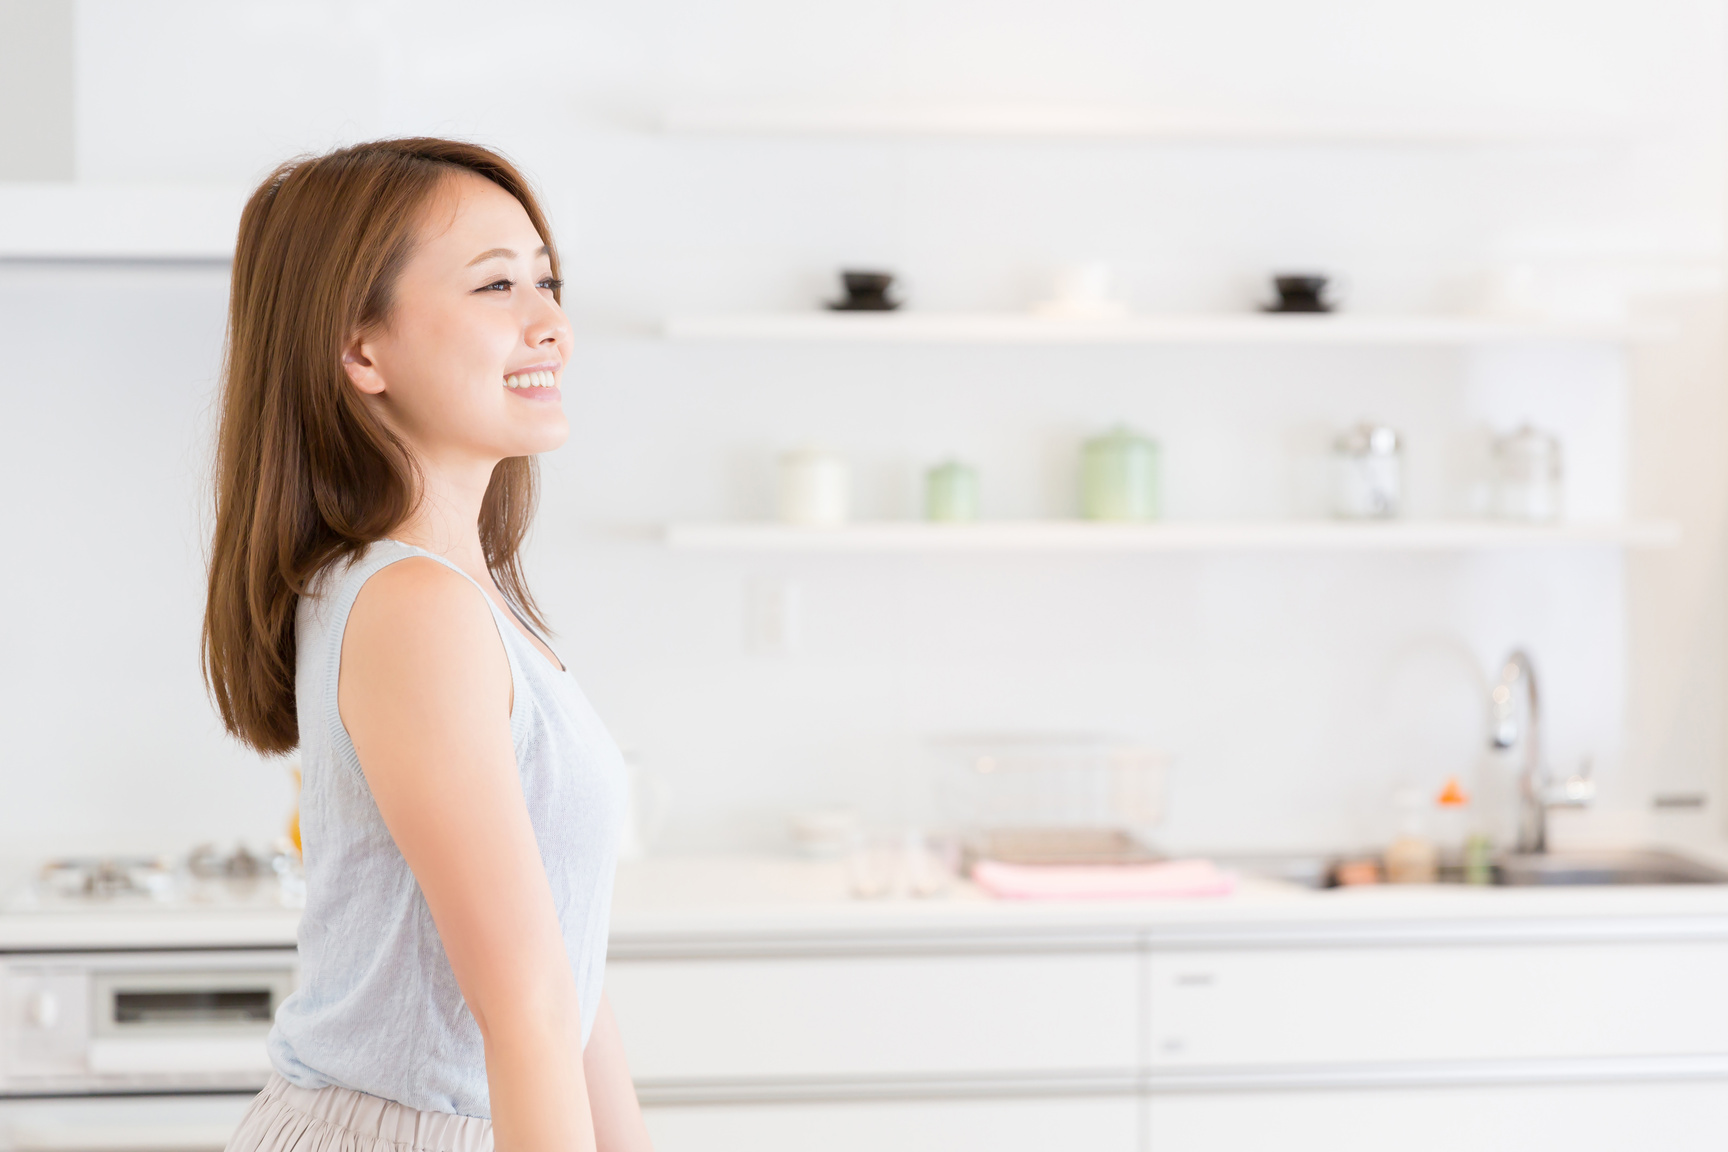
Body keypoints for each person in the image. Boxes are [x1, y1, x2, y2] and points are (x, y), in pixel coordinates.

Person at [202, 138, 652, 1152]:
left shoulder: (458, 599)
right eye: (497, 284)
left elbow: (567, 984)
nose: (553, 325)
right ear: (362, 352)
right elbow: (526, 1015)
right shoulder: (413, 606)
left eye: (548, 279)